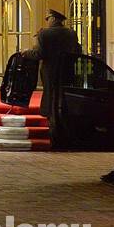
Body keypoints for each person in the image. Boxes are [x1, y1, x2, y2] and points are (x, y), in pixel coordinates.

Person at [23, 9, 81, 149]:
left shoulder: (45, 34)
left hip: (50, 73)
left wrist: (25, 53)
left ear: (54, 18)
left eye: (48, 18)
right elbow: (78, 51)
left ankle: (54, 136)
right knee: (64, 101)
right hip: (67, 72)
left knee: (51, 101)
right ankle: (64, 136)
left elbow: (39, 54)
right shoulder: (71, 34)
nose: (47, 21)